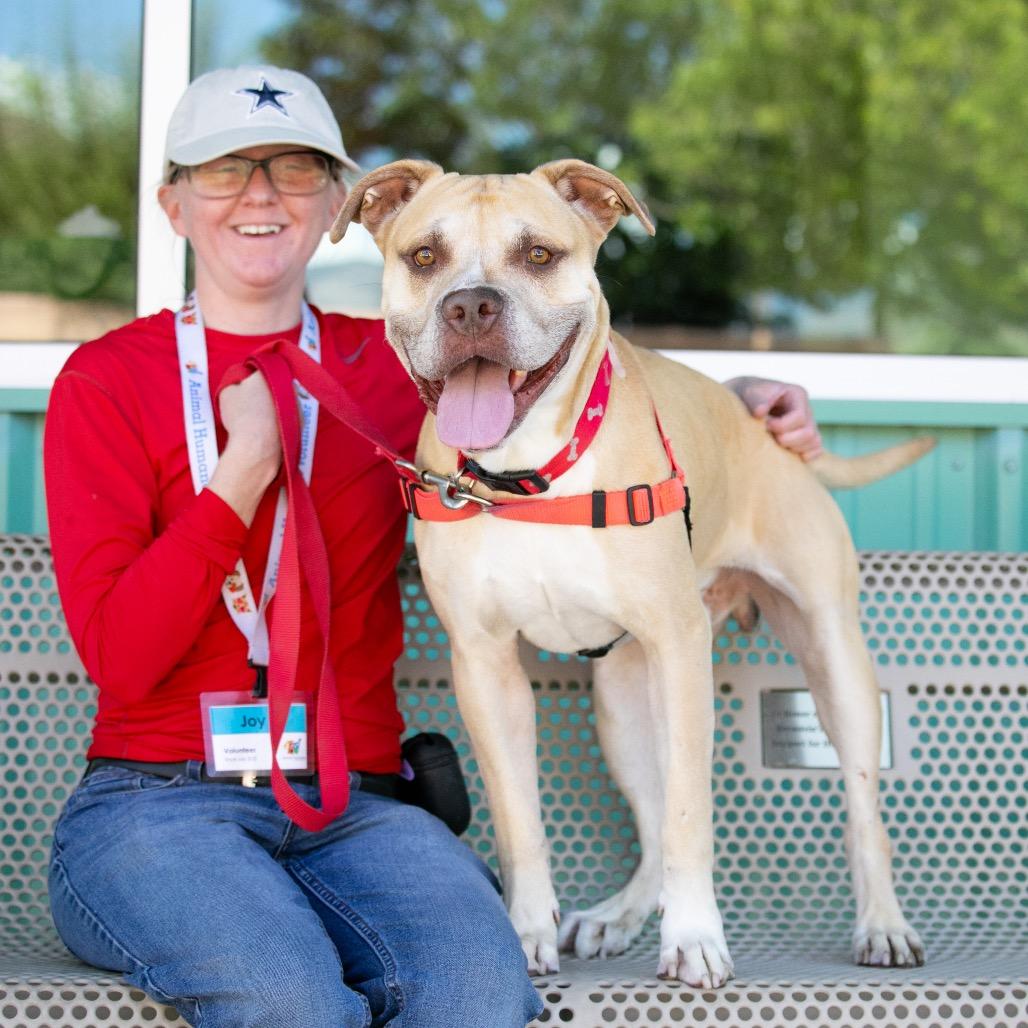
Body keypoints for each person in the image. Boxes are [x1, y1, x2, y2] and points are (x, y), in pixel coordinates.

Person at [42, 65, 825, 1028]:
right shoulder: (107, 379)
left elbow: (586, 374)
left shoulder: (407, 366)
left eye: (291, 169)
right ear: (171, 202)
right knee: (288, 998)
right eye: (222, 170)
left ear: (340, 204)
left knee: (479, 995)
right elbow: (120, 658)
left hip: (356, 807)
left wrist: (744, 406)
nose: (258, 194)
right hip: (157, 804)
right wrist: (241, 473)